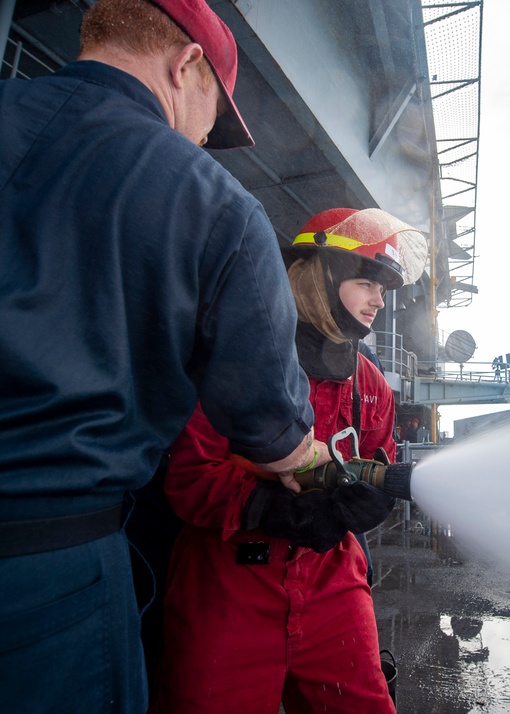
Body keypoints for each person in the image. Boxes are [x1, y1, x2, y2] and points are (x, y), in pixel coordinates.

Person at [0, 1, 328, 711]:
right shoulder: (219, 206)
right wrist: (326, 471)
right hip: (47, 574)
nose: (206, 138)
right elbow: (272, 433)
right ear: (187, 66)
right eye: (214, 115)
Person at [152, 207, 427, 714]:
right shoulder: (233, 359)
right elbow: (190, 477)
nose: (378, 302)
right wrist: (271, 508)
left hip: (333, 584)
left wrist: (370, 505)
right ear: (318, 274)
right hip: (228, 588)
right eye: (367, 283)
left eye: (384, 291)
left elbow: (376, 466)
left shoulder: (370, 386)